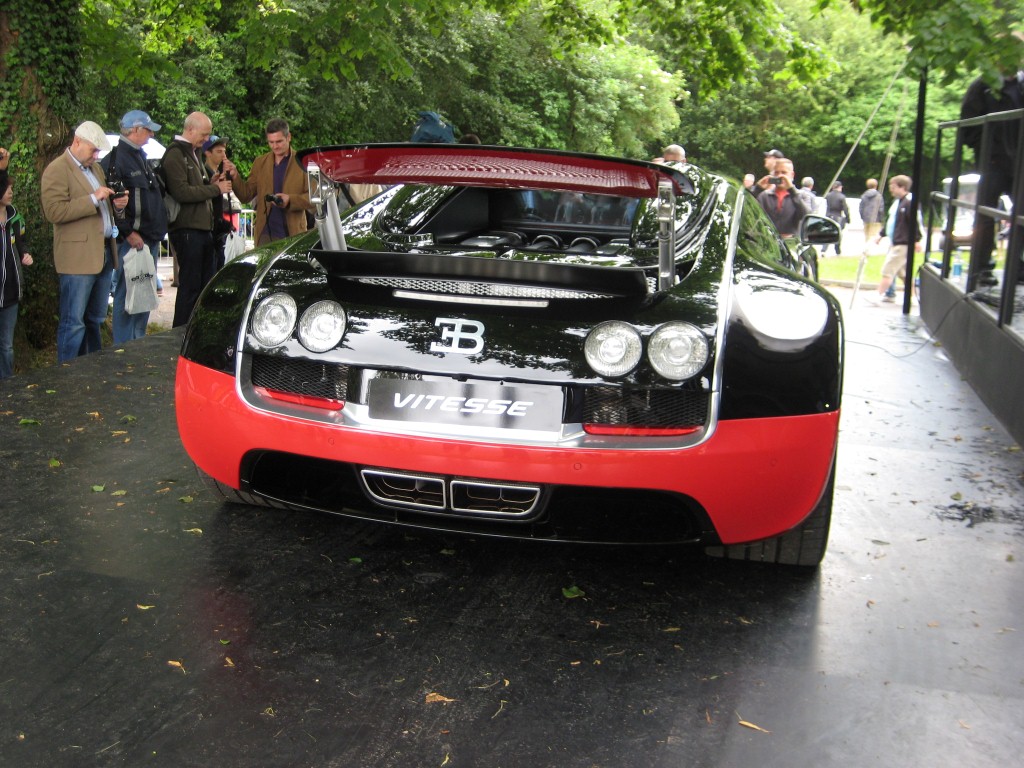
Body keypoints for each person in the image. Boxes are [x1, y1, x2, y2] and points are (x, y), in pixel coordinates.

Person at [41, 121, 128, 363]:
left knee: (95, 320)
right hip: (76, 260)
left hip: (102, 254)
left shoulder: (95, 169)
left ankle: (91, 368)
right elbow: (54, 212)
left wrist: (117, 207)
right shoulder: (57, 169)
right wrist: (92, 198)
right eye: (93, 150)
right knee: (73, 322)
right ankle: (67, 373)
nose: (96, 156)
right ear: (77, 142)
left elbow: (103, 208)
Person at [101, 110, 168, 343]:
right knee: (126, 293)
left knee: (144, 294)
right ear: (136, 130)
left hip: (149, 237)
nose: (151, 135)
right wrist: (128, 233)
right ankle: (123, 346)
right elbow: (114, 203)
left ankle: (138, 343)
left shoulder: (139, 155)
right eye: (148, 130)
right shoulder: (115, 159)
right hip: (132, 241)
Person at [163, 112, 233, 327]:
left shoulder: (191, 153)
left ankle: (195, 330)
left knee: (203, 285)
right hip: (186, 230)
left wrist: (209, 183)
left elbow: (194, 188)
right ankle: (181, 332)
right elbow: (181, 192)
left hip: (201, 230)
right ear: (190, 129)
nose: (206, 139)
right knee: (190, 287)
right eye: (204, 134)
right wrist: (215, 188)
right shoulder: (175, 154)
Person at [960, 55, 1024, 286]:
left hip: (1020, 163)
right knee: (986, 215)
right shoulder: (982, 86)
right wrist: (987, 149)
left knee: (1021, 217)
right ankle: (981, 268)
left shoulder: (1021, 85)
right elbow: (968, 124)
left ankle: (1018, 267)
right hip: (993, 162)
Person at [231, 118, 313, 248]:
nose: (275, 146)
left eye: (279, 141)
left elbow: (315, 198)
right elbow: (246, 195)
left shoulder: (303, 163)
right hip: (265, 233)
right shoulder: (260, 163)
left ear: (289, 137)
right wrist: (235, 177)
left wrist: (290, 200)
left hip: (294, 234)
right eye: (271, 142)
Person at [1, 175, 33, 379]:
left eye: (11, 188)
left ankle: (6, 387)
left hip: (11, 293)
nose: (11, 192)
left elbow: (19, 242)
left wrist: (24, 253)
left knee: (7, 346)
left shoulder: (13, 218)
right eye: (6, 188)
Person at [872, 175, 920, 302]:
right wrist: (881, 235)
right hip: (897, 242)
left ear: (902, 187)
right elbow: (892, 222)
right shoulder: (899, 203)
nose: (891, 190)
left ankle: (878, 294)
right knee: (903, 273)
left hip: (902, 243)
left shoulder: (909, 203)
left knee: (888, 269)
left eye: (893, 187)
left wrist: (916, 240)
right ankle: (914, 297)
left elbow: (914, 223)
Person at [202, 135, 239, 271]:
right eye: (219, 151)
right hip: (208, 229)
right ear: (207, 153)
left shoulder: (219, 173)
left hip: (217, 227)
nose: (223, 155)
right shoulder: (203, 173)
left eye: (224, 151)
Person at [756, 157, 809, 238]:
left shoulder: (801, 195)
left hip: (790, 243)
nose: (780, 176)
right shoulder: (764, 196)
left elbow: (806, 215)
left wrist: (792, 190)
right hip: (767, 241)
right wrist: (757, 189)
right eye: (776, 173)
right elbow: (749, 212)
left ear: (792, 175)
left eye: (784, 173)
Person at [823, 181, 850, 256]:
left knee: (827, 234)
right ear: (839, 187)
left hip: (828, 216)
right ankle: (837, 251)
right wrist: (848, 218)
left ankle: (823, 250)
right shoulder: (841, 197)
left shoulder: (828, 195)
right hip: (837, 216)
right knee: (838, 234)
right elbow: (845, 209)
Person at [859, 178, 885, 253]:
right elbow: (881, 209)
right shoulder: (878, 196)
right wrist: (882, 220)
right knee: (874, 236)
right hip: (876, 219)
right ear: (876, 186)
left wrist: (863, 217)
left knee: (867, 237)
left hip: (866, 219)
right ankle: (870, 251)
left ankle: (866, 251)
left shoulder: (864, 196)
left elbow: (861, 208)